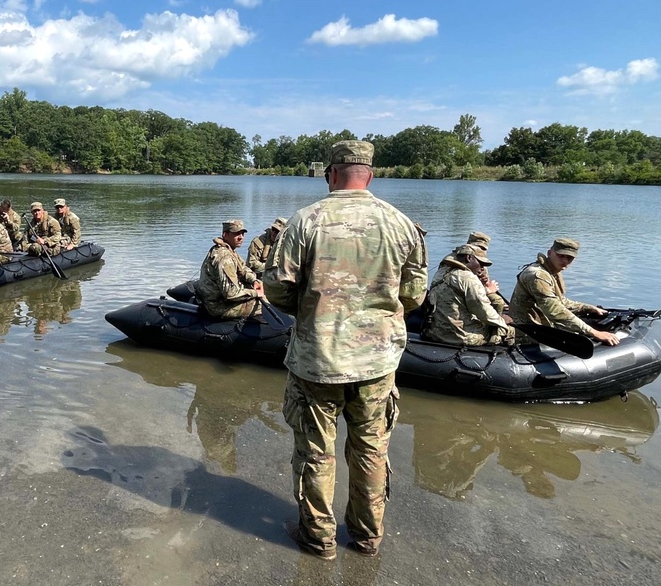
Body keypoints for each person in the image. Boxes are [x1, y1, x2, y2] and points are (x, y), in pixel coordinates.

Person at [263, 140, 428, 560]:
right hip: (377, 363)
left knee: (317, 452)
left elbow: (278, 290)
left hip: (318, 361)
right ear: (369, 174)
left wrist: (313, 311)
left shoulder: (305, 221)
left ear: (331, 174)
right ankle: (367, 537)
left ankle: (318, 539)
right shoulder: (401, 223)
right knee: (371, 450)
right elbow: (414, 295)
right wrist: (375, 317)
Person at [509, 237, 619, 346]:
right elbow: (555, 310)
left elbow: (560, 302)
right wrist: (594, 332)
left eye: (570, 257)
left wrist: (586, 307)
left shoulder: (551, 271)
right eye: (561, 256)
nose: (565, 261)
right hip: (527, 333)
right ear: (550, 253)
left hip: (540, 327)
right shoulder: (537, 276)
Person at [421, 244, 514, 346]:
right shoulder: (468, 278)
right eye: (481, 263)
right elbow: (484, 311)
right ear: (469, 258)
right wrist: (502, 321)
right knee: (509, 330)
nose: (482, 268)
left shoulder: (441, 273)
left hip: (434, 331)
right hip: (459, 336)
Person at [195, 220, 264, 319]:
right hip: (218, 306)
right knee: (264, 305)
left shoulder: (229, 249)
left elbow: (243, 268)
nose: (241, 237)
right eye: (236, 234)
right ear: (225, 235)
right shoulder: (224, 257)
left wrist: (254, 280)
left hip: (221, 300)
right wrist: (256, 293)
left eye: (242, 233)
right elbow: (230, 294)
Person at [465, 231, 508, 314]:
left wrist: (485, 282)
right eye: (476, 248)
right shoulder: (459, 263)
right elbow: (465, 291)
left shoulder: (480, 263)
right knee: (497, 301)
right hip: (467, 297)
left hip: (478, 293)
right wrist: (489, 290)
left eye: (483, 249)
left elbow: (484, 283)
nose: (479, 251)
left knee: (499, 301)